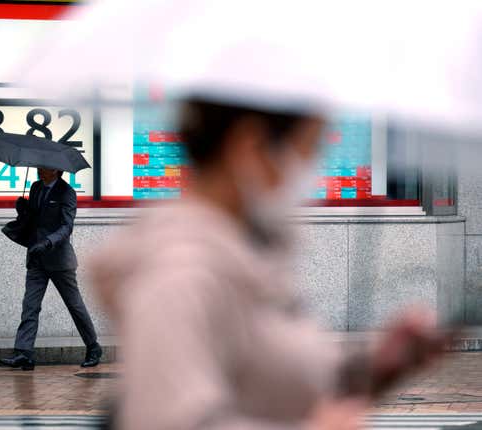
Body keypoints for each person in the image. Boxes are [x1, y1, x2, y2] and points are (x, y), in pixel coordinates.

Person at [90, 99, 445, 429]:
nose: (312, 168)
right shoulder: (179, 273)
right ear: (250, 147)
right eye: (309, 146)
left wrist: (376, 367)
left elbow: (276, 382)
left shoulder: (248, 253)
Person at [0, 167, 102, 371]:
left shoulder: (67, 192)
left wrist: (47, 242)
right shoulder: (36, 187)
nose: (39, 170)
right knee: (30, 306)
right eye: (38, 166)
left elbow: (67, 226)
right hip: (36, 258)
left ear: (55, 170)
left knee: (74, 305)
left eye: (44, 167)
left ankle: (93, 347)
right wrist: (23, 210)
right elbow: (34, 220)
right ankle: (24, 352)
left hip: (59, 260)